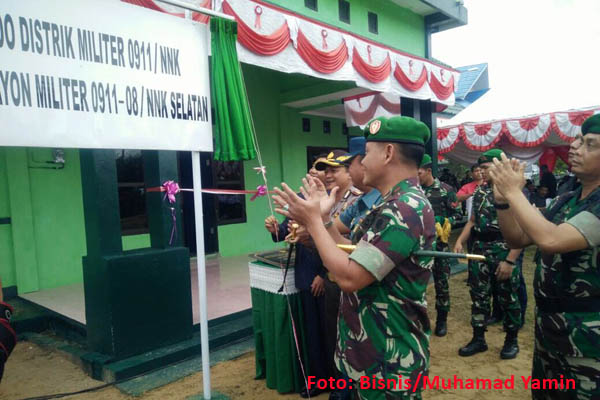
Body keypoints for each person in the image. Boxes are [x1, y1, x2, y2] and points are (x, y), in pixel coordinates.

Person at [274, 116, 435, 399]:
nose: (360, 165)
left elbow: (349, 276)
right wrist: (322, 219)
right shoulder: (391, 202)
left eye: (366, 155)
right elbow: (350, 248)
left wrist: (312, 222)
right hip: (368, 350)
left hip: (389, 361)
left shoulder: (405, 207)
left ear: (387, 153)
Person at [488, 114, 600, 399]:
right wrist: (503, 201)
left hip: (589, 341)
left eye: (589, 144)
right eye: (577, 140)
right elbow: (518, 238)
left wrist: (515, 192)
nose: (575, 147)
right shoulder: (567, 197)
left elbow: (551, 239)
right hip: (551, 332)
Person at [453, 149, 522, 360]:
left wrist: (510, 259)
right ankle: (478, 339)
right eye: (479, 168)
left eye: (485, 168)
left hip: (503, 248)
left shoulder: (513, 192)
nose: (480, 172)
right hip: (480, 250)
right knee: (479, 296)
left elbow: (523, 229)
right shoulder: (480, 192)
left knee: (508, 297)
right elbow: (473, 220)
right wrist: (459, 240)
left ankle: (511, 340)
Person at [418, 154, 462, 336]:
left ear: (428, 171)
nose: (416, 176)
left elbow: (458, 214)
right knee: (418, 284)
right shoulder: (414, 191)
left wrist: (443, 220)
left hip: (440, 247)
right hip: (420, 247)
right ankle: (420, 319)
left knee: (441, 284)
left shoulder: (445, 190)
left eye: (419, 172)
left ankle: (442, 320)